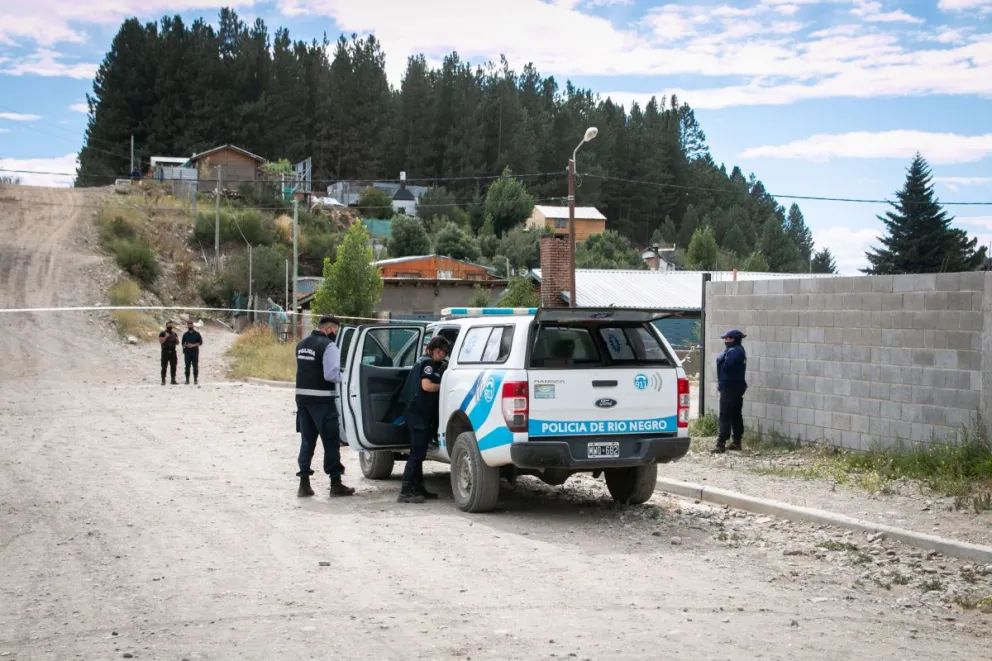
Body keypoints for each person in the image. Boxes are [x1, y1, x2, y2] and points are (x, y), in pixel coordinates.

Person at [294, 315, 355, 498]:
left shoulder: (301, 344)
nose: (335, 334)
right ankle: (335, 484)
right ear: (328, 329)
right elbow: (330, 374)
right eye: (335, 331)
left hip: (303, 399)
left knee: (307, 441)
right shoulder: (328, 346)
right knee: (330, 442)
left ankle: (304, 484)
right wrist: (346, 378)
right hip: (323, 400)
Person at [397, 336, 451, 504]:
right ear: (437, 350)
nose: (445, 357)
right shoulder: (427, 364)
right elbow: (426, 386)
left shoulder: (426, 362)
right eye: (444, 353)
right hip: (418, 415)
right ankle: (405, 491)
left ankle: (418, 488)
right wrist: (445, 387)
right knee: (417, 453)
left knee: (418, 453)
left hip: (418, 414)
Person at [712, 329, 748, 454]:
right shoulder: (738, 350)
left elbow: (728, 368)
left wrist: (722, 360)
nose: (725, 340)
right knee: (735, 414)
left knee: (725, 415)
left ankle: (721, 443)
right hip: (736, 386)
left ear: (733, 339)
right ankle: (737, 441)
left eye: (727, 338)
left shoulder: (733, 352)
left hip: (730, 387)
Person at [181, 320, 203, 385]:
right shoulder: (185, 334)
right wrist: (186, 345)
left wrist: (193, 345)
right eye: (189, 324)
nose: (190, 326)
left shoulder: (197, 334)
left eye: (191, 324)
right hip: (187, 352)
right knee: (187, 366)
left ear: (193, 325)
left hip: (195, 352)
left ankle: (195, 379)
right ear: (187, 326)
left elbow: (200, 342)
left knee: (195, 366)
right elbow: (182, 343)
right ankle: (187, 380)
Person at [158, 321, 179, 385]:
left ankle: (173, 380)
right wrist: (166, 337)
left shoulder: (174, 334)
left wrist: (176, 339)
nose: (170, 326)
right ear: (166, 325)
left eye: (171, 325)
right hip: (165, 352)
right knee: (164, 366)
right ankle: (163, 380)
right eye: (169, 325)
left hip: (173, 352)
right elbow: (161, 341)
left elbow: (177, 343)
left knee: (173, 366)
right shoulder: (162, 333)